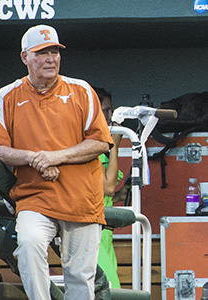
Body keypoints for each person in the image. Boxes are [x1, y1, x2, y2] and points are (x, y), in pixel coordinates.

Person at [0, 24, 114, 300]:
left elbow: (101, 142)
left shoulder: (82, 91)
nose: (50, 58)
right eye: (41, 53)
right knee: (29, 246)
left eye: (54, 51)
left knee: (79, 277)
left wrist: (55, 157)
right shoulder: (6, 96)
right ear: (24, 57)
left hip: (81, 198)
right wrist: (33, 158)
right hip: (35, 197)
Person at [93, 87, 123, 289]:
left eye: (111, 111)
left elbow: (108, 195)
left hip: (105, 234)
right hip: (90, 231)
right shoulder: (89, 144)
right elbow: (108, 187)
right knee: (112, 290)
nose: (110, 116)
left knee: (111, 289)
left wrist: (124, 193)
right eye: (105, 111)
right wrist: (114, 145)